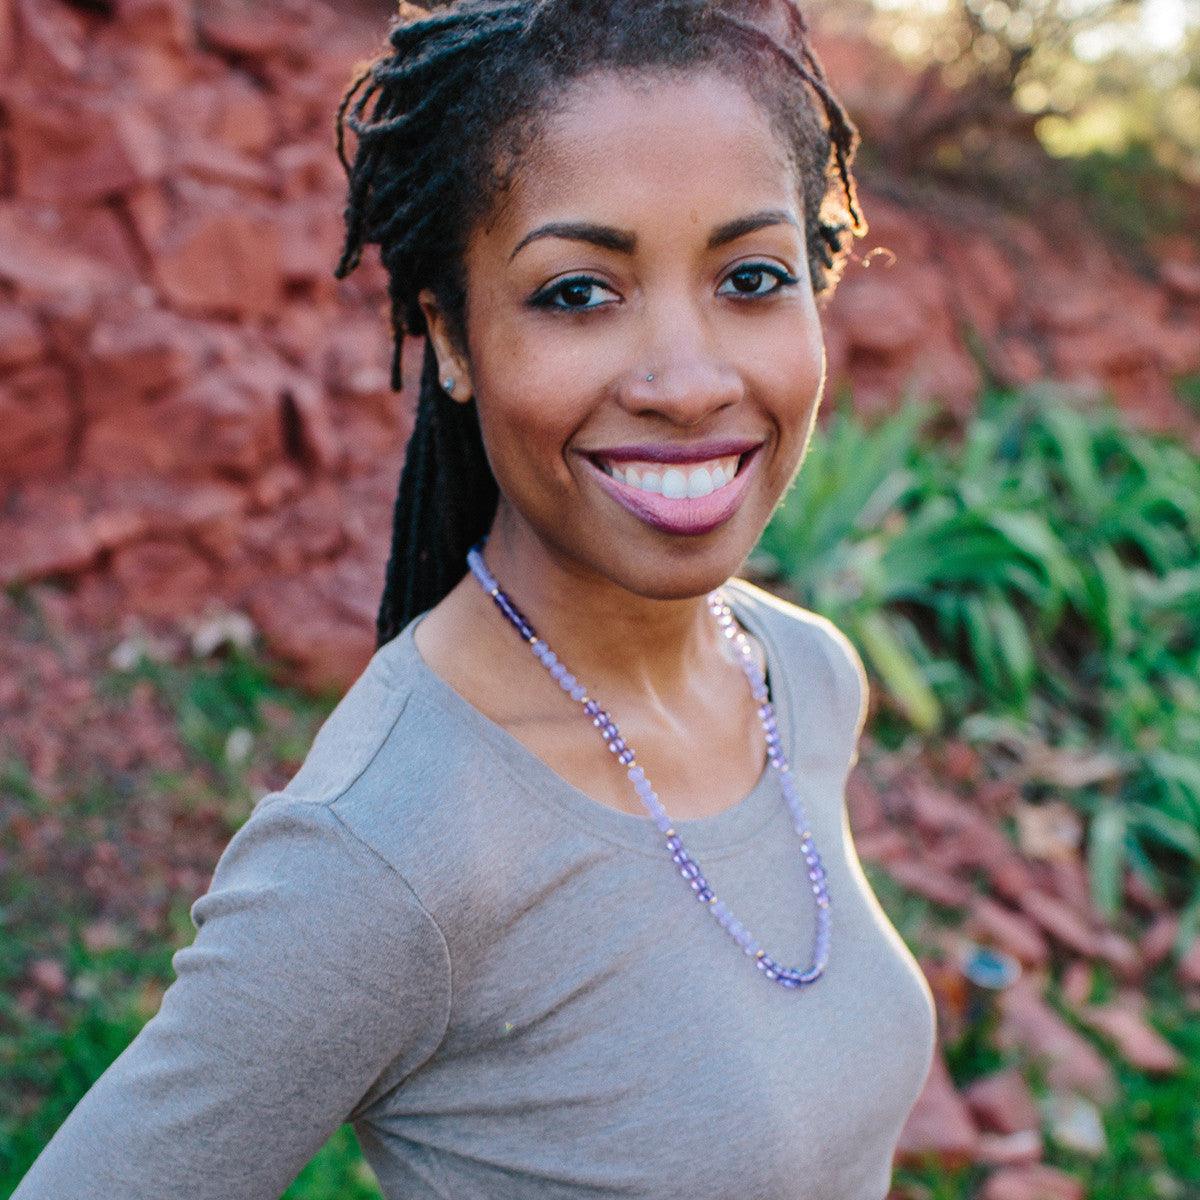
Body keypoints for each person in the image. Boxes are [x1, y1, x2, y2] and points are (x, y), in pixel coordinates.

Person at [13, 1, 937, 1197]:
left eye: (751, 276)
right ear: (452, 339)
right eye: (576, 293)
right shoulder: (390, 848)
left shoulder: (801, 677)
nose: (686, 379)